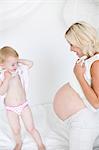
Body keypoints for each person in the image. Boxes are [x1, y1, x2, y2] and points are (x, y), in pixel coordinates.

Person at [52, 21, 99, 150]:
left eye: (72, 44)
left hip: (84, 122)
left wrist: (78, 76)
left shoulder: (97, 63)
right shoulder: (90, 59)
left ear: (82, 41)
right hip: (80, 121)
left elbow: (97, 103)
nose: (71, 49)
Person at [0, 46, 46, 150]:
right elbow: (1, 91)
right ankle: (18, 143)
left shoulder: (19, 69)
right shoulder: (2, 76)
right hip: (11, 109)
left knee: (31, 128)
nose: (15, 65)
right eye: (12, 64)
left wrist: (17, 60)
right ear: (2, 64)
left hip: (23, 105)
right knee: (16, 129)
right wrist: (7, 79)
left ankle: (40, 144)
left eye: (16, 63)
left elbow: (30, 64)